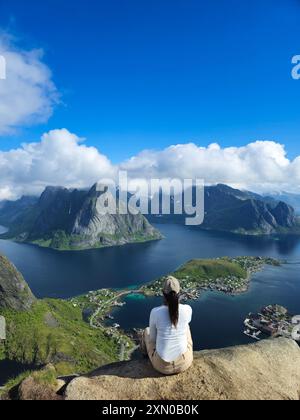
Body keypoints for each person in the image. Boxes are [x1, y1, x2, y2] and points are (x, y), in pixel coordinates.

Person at [141, 276, 193, 375]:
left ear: (163, 293)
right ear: (179, 292)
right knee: (186, 327)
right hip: (184, 362)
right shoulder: (187, 309)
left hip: (162, 366)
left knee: (147, 331)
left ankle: (145, 357)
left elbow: (153, 339)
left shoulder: (155, 312)